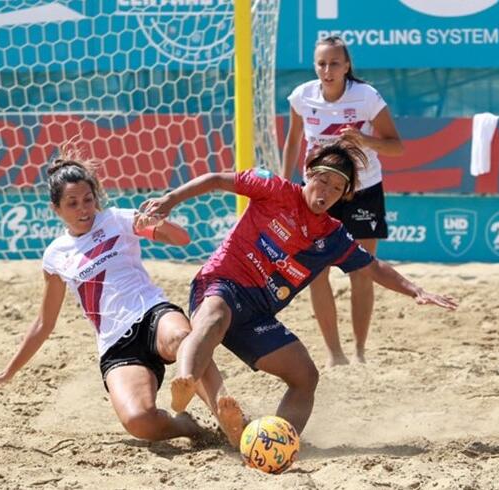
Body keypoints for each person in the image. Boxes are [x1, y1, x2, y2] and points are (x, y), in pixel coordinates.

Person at [138, 137, 457, 440]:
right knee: (215, 317)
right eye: (323, 181)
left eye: (336, 188)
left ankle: (274, 439)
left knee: (306, 376)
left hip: (257, 315)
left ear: (343, 195)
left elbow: (372, 266)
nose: (327, 192)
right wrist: (169, 200)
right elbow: (216, 179)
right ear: (308, 173)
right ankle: (187, 380)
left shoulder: (332, 236)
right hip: (221, 283)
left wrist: (415, 290)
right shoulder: (274, 188)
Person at [0, 146, 243, 444]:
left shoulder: (118, 219)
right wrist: (9, 371)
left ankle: (229, 416)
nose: (83, 209)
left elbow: (182, 239)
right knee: (140, 421)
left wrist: (157, 224)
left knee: (181, 338)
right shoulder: (55, 256)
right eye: (72, 203)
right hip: (116, 343)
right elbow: (44, 323)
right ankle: (188, 427)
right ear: (56, 209)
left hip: (151, 312)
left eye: (88, 199)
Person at [282, 35, 405, 367]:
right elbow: (293, 141)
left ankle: (361, 352)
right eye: (321, 63)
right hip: (320, 192)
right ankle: (335, 355)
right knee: (316, 271)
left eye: (334, 63)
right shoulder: (302, 96)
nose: (327, 69)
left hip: (362, 189)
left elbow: (396, 145)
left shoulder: (366, 97)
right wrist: (285, 184)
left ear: (347, 66)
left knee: (361, 271)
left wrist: (363, 139)